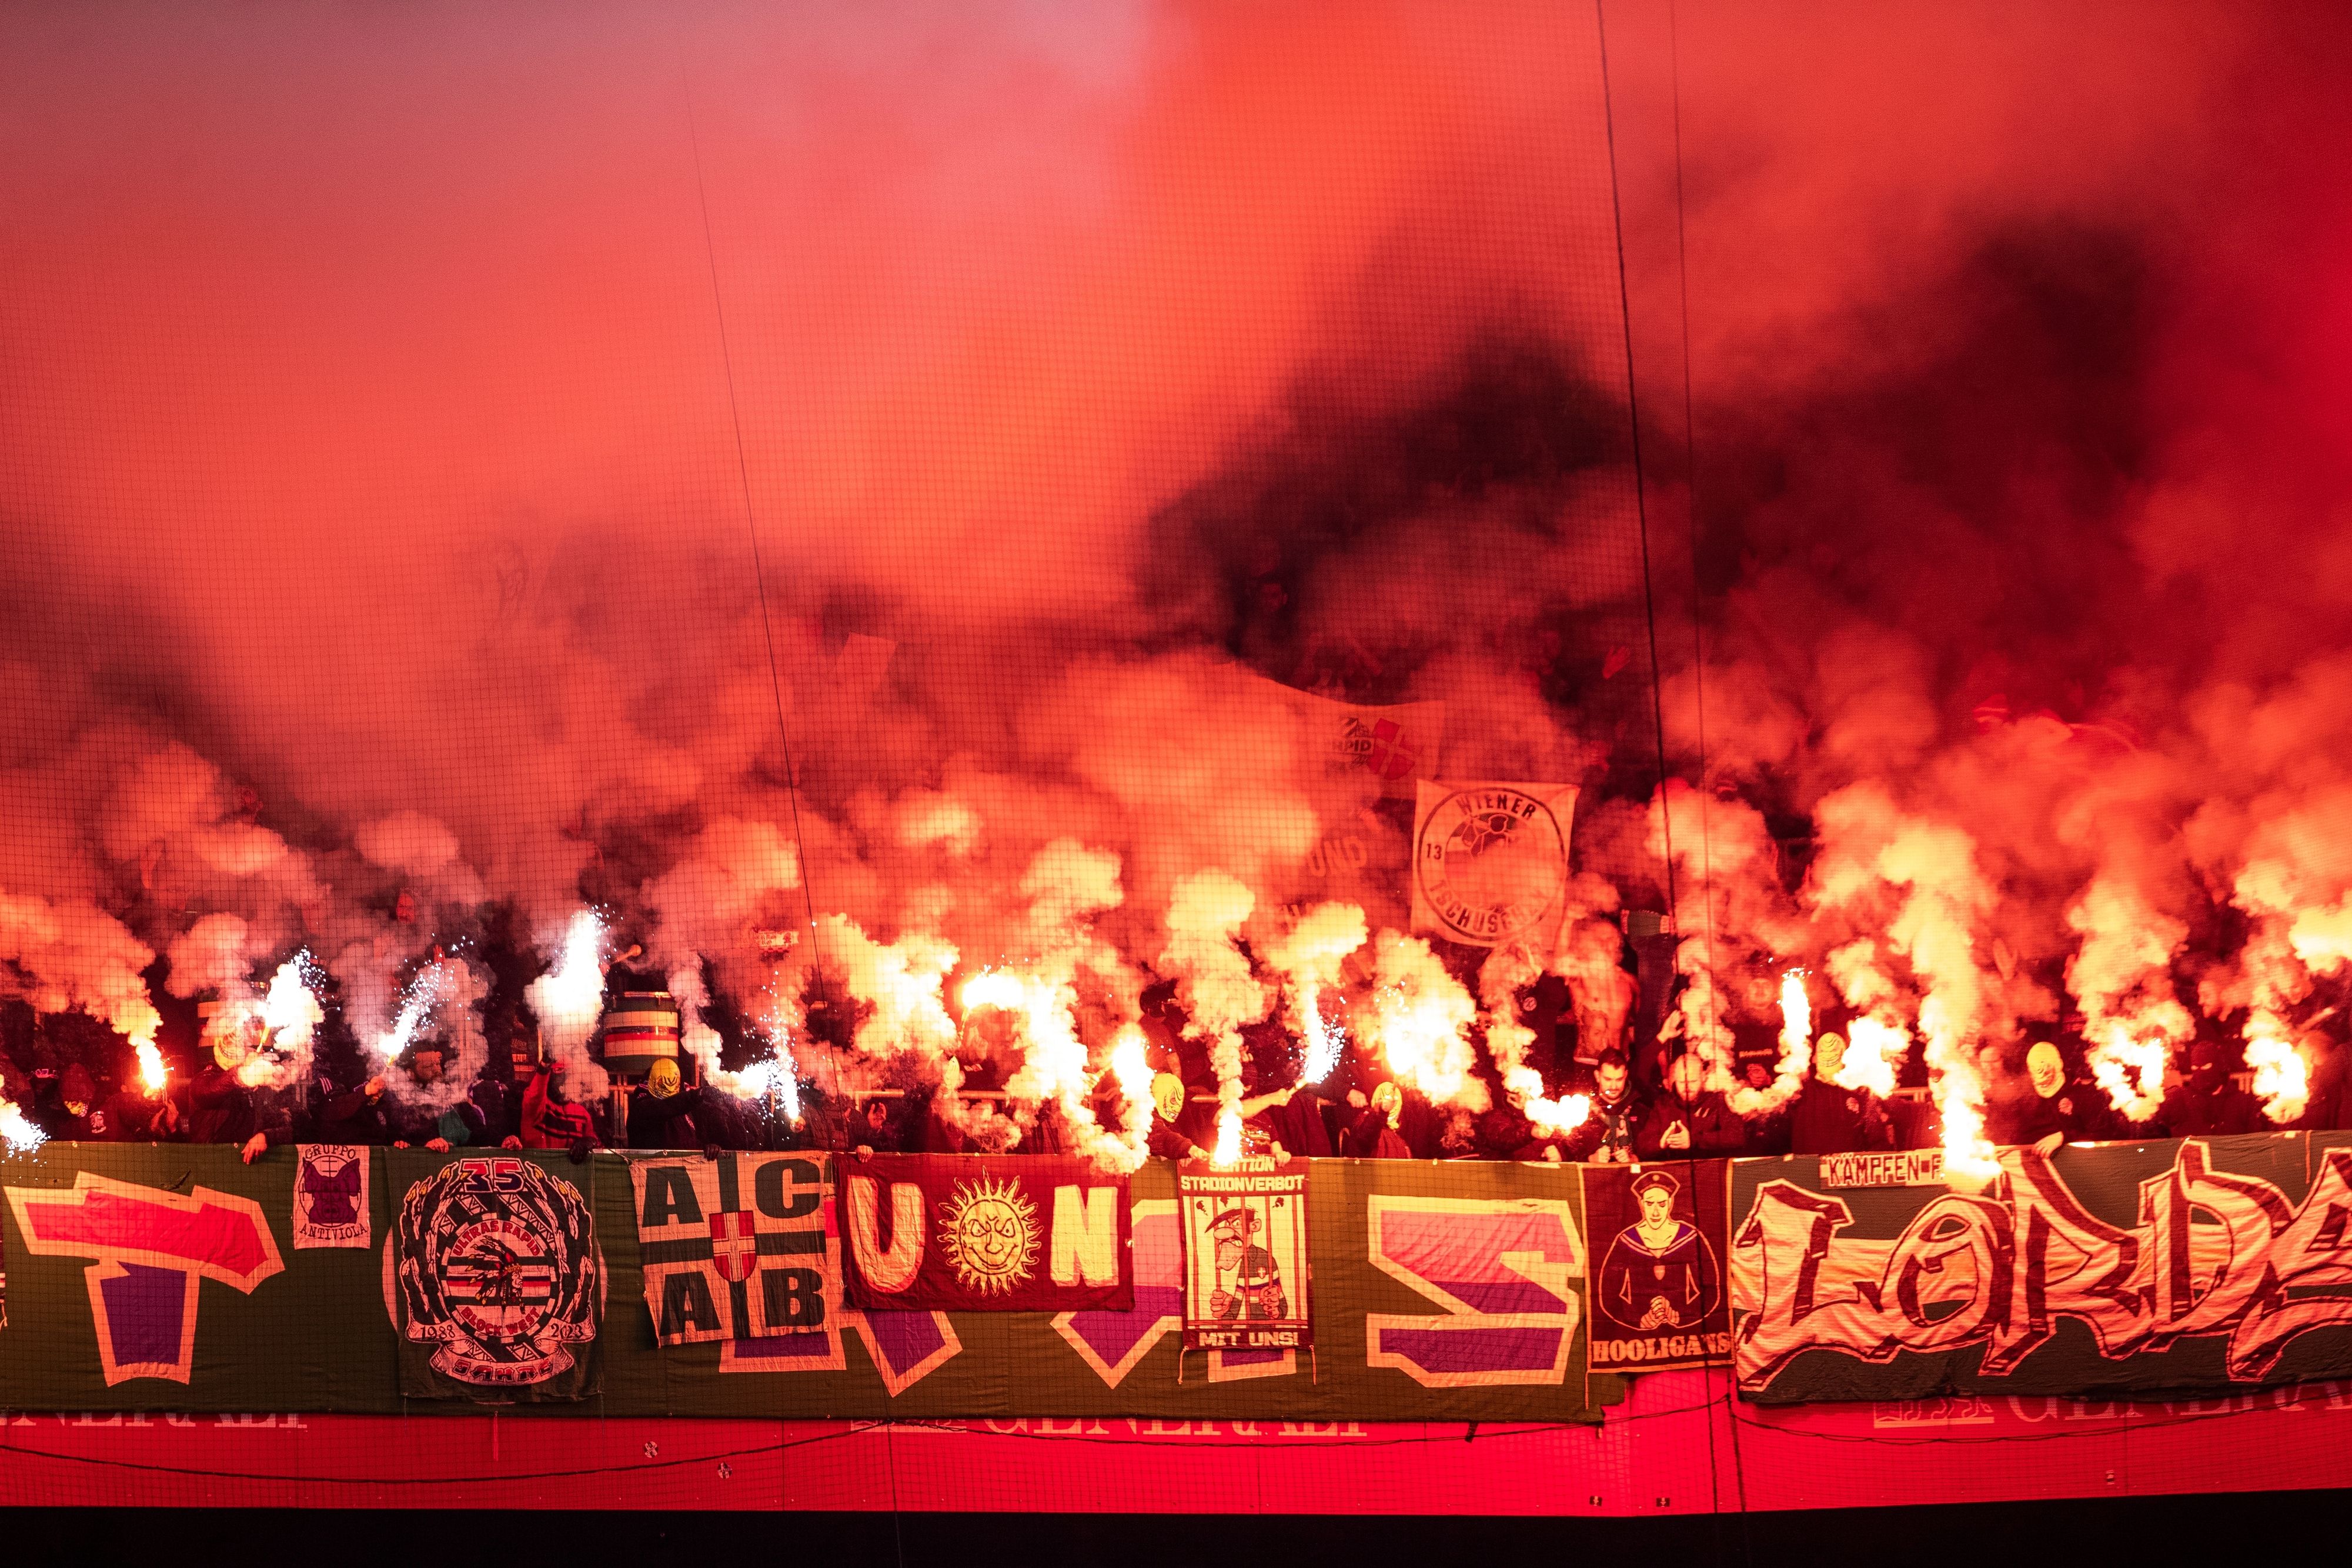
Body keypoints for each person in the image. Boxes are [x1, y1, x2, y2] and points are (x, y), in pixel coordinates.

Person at [1596, 1168, 1722, 1332]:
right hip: (1637, 1334)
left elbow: (1711, 1289)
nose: (1655, 1212)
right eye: (1650, 1204)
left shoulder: (1690, 1237)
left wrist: (1682, 1315)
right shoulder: (1626, 1240)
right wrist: (1638, 1319)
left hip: (1686, 1331)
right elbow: (1607, 1294)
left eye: (1662, 1204)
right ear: (1641, 1204)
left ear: (1670, 1203)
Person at [187, 1019, 291, 1164]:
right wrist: (241, 1074)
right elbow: (208, 1092)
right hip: (210, 1165)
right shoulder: (205, 1078)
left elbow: (286, 1127)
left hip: (246, 1166)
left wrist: (265, 1136)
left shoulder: (256, 1086)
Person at [1997, 1041, 2121, 1148]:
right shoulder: (2024, 1097)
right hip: (2034, 1162)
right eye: (2035, 1070)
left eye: (2046, 1070)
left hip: (2075, 1161)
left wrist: (2064, 1137)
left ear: (2059, 1064)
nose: (2041, 1075)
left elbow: (2103, 1136)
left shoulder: (2082, 1093)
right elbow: (2012, 1138)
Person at [1788, 1032, 1893, 1155]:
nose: (1828, 1054)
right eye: (1823, 1051)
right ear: (1814, 1058)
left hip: (1850, 1166)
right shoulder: (1799, 1091)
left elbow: (1878, 1139)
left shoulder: (1860, 1091)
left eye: (1834, 1051)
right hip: (1808, 1166)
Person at [1635, 1055, 1748, 1161]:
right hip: (1673, 1171)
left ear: (1703, 1077)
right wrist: (1661, 1143)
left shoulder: (1718, 1100)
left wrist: (1695, 1140)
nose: (1687, 1087)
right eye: (1681, 1082)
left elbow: (1738, 1136)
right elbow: (1642, 1146)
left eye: (1693, 1081)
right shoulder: (1663, 1104)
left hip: (1710, 1170)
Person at [2159, 1041, 2264, 1138]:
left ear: (2219, 1066)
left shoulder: (2242, 1103)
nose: (2200, 1071)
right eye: (2195, 1067)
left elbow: (2257, 1139)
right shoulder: (2178, 1100)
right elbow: (2155, 1131)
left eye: (2206, 1066)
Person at [1562, 1051, 1645, 1164]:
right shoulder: (1582, 1108)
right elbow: (1568, 1152)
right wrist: (1591, 1159)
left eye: (1619, 1079)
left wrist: (1634, 1159)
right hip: (1593, 1174)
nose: (1614, 1086)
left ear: (1626, 1075)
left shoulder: (1640, 1109)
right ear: (1597, 1076)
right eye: (1608, 1079)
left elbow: (1653, 1152)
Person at [519, 1054, 600, 1156]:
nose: (566, 1078)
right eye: (559, 1070)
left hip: (570, 1166)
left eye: (570, 1072)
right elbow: (536, 1095)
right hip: (538, 1165)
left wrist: (590, 1141)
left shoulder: (582, 1113)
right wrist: (544, 1066)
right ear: (549, 1076)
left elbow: (595, 1142)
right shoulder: (539, 1106)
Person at [627, 1057, 705, 1149]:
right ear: (653, 1080)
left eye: (673, 1083)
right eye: (662, 1084)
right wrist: (699, 1094)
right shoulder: (642, 1109)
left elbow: (687, 1142)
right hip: (654, 1158)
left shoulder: (681, 1110)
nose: (669, 1087)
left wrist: (706, 1148)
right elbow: (665, 1107)